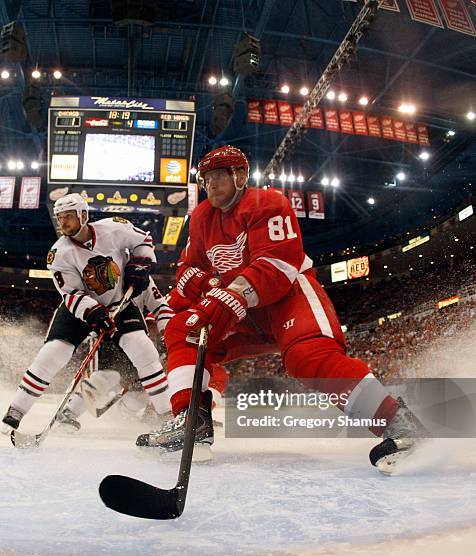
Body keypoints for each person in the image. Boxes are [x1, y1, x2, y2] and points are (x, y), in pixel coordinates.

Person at [137, 145, 427, 472]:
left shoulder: (268, 202)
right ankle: (191, 423)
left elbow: (276, 264)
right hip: (242, 309)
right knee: (183, 329)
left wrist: (228, 292)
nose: (211, 184)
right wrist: (203, 289)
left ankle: (399, 425)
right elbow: (187, 269)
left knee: (308, 359)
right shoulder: (202, 217)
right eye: (205, 179)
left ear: (241, 176)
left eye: (218, 176)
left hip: (287, 296)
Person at [2, 193, 169, 431]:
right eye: (60, 218)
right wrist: (93, 312)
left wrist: (142, 262)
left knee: (143, 349)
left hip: (119, 304)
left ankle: (168, 416)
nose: (64, 222)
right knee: (53, 354)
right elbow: (70, 293)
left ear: (83, 215)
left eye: (68, 216)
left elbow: (143, 240)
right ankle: (16, 410)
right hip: (79, 308)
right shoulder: (58, 254)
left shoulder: (114, 228)